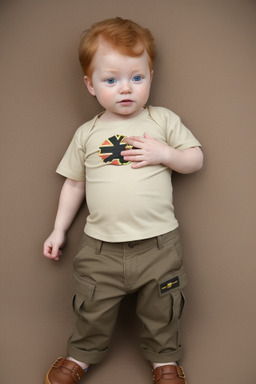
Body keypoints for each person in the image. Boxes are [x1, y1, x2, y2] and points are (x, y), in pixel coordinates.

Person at [43, 17, 203, 384]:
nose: (125, 89)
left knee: (163, 307)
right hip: (101, 248)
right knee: (92, 306)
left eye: (137, 77)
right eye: (111, 80)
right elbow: (73, 185)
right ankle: (80, 355)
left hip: (159, 244)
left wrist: (165, 154)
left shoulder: (162, 121)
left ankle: (164, 360)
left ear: (150, 75)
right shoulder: (87, 133)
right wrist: (58, 230)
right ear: (90, 85)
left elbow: (195, 159)